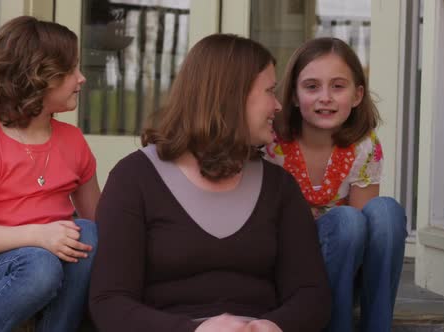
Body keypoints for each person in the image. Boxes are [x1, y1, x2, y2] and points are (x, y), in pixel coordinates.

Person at [89, 33, 331, 332]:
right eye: (269, 91)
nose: (278, 106)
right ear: (231, 96)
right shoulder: (134, 178)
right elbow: (110, 302)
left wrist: (274, 326)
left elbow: (311, 294)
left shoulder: (279, 186)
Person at [0, 16, 100, 332]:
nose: (81, 78)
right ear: (38, 77)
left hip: (55, 263)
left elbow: (98, 220)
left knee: (90, 234)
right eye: (71, 70)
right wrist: (41, 236)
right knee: (40, 264)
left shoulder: (73, 141)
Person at [264, 37, 407, 332]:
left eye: (338, 86)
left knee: (385, 212)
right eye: (312, 86)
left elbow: (366, 229)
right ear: (293, 95)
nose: (325, 97)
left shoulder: (364, 146)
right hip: (294, 273)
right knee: (345, 220)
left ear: (357, 96)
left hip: (347, 270)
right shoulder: (272, 145)